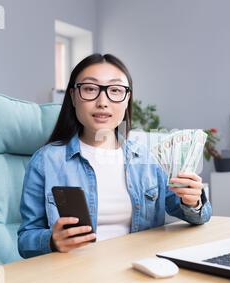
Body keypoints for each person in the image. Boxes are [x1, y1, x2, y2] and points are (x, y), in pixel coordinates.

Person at [17, 53, 212, 258]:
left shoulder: (146, 159)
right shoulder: (46, 161)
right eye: (90, 89)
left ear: (127, 99)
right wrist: (51, 240)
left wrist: (193, 201)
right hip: (77, 277)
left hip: (140, 270)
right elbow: (25, 240)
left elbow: (195, 215)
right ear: (74, 97)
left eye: (115, 90)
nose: (103, 102)